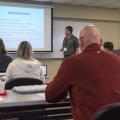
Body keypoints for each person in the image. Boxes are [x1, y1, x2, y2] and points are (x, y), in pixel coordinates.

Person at [45, 25, 120, 120]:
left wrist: (64, 89)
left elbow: (50, 96)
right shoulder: (117, 60)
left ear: (80, 42)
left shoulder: (71, 63)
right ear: (100, 42)